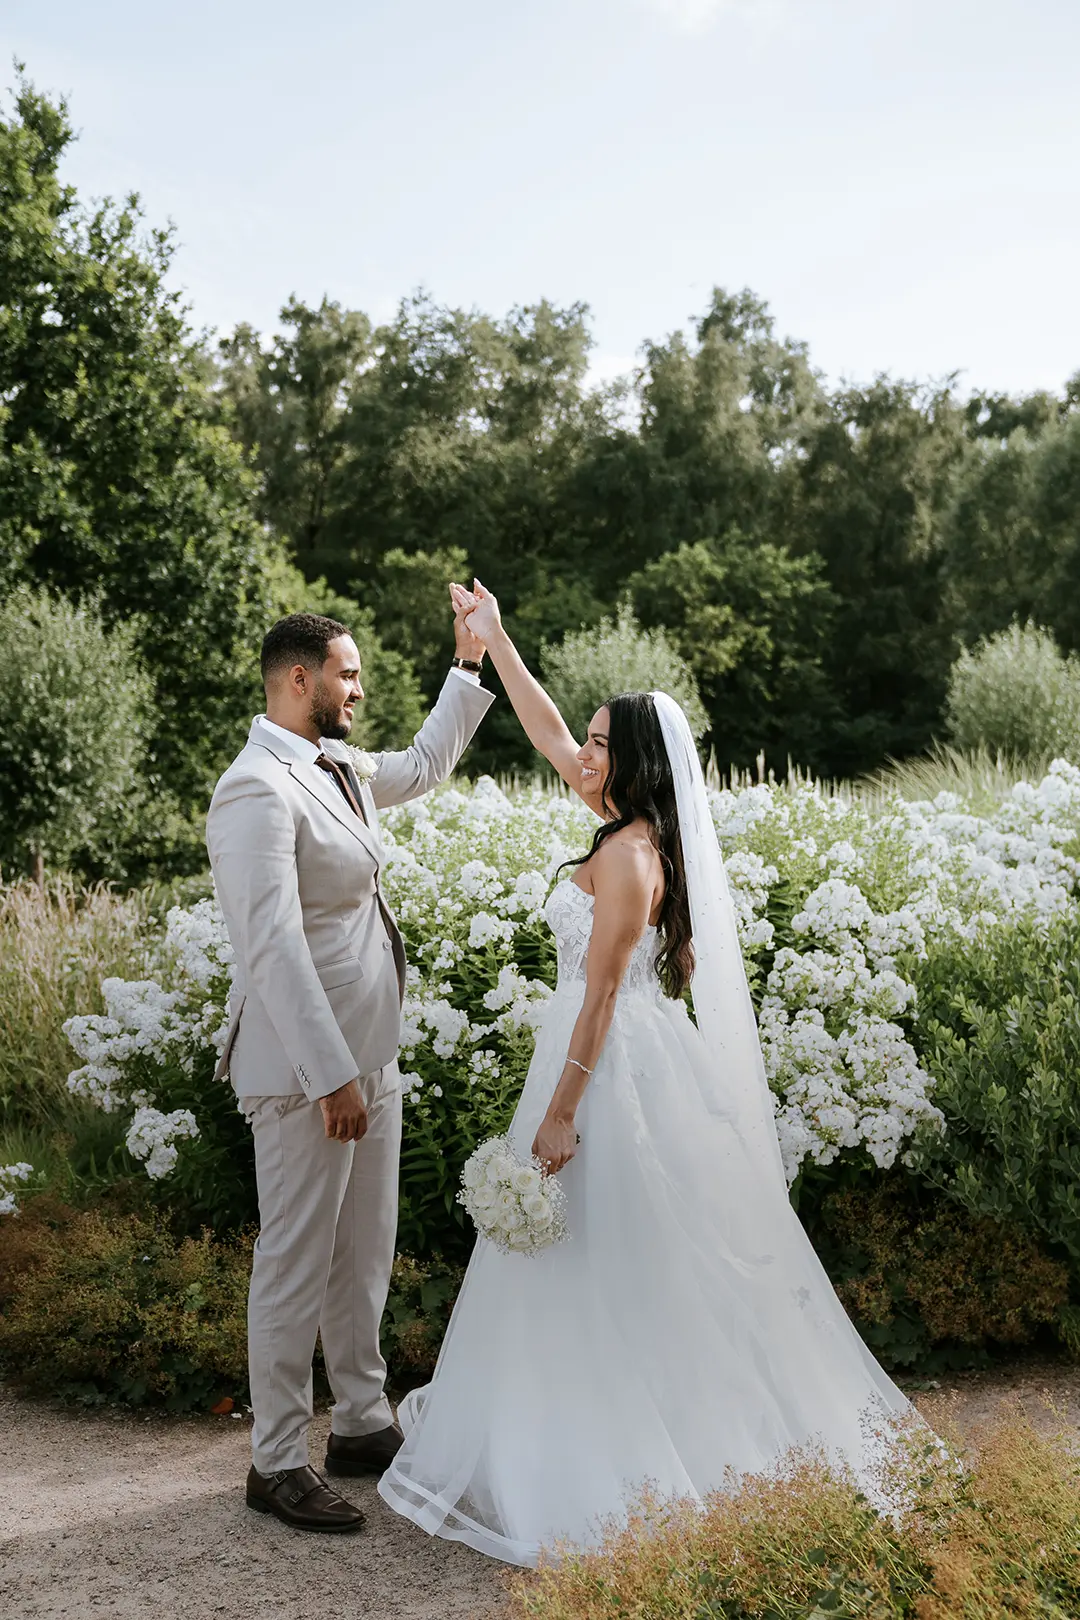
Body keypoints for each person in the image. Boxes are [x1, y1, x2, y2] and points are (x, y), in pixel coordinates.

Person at [377, 580, 915, 1567]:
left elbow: (601, 996)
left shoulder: (630, 856)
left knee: (607, 1259)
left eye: (599, 743)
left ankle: (622, 1452)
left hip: (604, 1073)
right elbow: (540, 730)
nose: (581, 755)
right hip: (603, 1060)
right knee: (583, 1267)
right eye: (587, 740)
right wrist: (494, 643)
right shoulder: (620, 823)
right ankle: (556, 1420)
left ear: (634, 764)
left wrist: (560, 1114)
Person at [206, 604, 493, 1533]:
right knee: (296, 1259)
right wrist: (330, 1075)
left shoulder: (336, 766)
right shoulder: (256, 789)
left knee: (365, 1248)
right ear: (300, 680)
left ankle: (362, 1421)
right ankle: (277, 1460)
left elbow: (423, 766)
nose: (359, 691)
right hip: (303, 1068)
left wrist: (469, 660)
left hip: (372, 1050)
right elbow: (274, 948)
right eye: (348, 676)